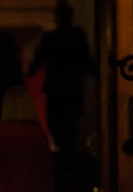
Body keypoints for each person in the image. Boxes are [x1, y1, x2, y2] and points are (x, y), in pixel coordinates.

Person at [28, 4, 95, 154]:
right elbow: (87, 60)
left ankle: (64, 150)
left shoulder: (51, 37)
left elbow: (38, 62)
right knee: (70, 124)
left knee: (57, 122)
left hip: (57, 89)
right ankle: (70, 151)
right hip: (72, 87)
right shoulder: (77, 35)